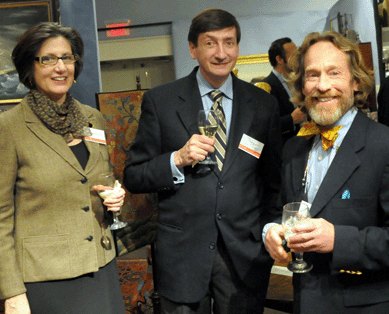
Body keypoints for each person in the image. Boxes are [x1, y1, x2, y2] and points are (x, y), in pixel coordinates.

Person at [123, 8, 282, 314]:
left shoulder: (263, 104)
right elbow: (133, 175)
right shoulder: (161, 101)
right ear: (193, 48)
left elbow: (274, 181)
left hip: (244, 255)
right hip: (182, 257)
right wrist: (176, 159)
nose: (222, 53)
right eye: (210, 43)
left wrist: (266, 233)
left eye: (230, 42)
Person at [0, 22, 126, 314]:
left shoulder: (92, 118)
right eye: (48, 59)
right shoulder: (9, 128)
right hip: (46, 280)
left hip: (101, 266)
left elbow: (95, 181)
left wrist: (115, 198)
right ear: (29, 67)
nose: (60, 68)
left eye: (67, 58)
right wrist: (11, 293)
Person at [265, 30, 389, 313]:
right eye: (312, 75)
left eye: (334, 73)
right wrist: (270, 231)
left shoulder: (383, 144)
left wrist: (338, 240)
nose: (322, 86)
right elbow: (278, 209)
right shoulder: (294, 149)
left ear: (356, 81)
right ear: (302, 84)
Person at [263, 37, 307, 145]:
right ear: (279, 59)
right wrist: (291, 119)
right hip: (286, 149)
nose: (298, 58)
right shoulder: (266, 86)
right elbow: (264, 126)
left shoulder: (296, 80)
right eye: (293, 55)